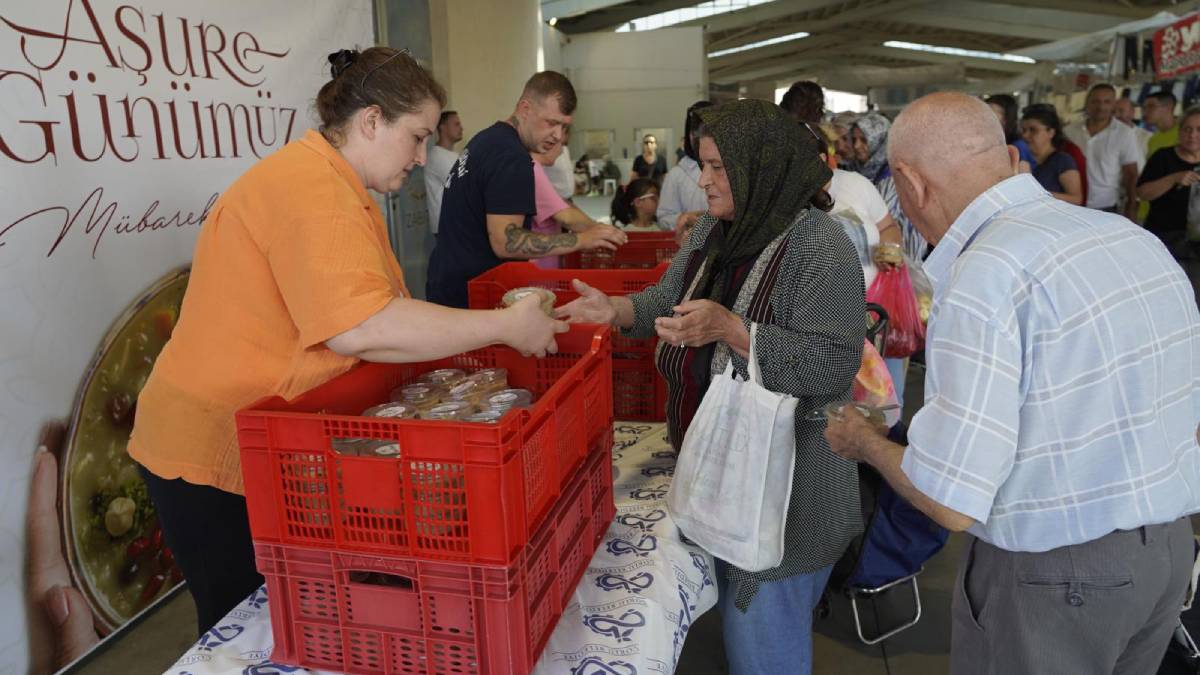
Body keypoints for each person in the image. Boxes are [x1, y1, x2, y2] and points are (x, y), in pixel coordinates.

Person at [126, 48, 569, 636]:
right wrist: (503, 328)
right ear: (370, 122)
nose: (420, 156)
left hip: (265, 435)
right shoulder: (311, 189)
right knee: (246, 626)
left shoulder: (337, 185)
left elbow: (380, 312)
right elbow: (364, 326)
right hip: (210, 444)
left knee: (292, 619)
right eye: (415, 137)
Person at [826, 91, 1200, 675]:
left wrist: (866, 443)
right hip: (1168, 555)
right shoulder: (1129, 238)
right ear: (1003, 154)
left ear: (910, 182)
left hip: (1057, 579)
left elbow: (950, 499)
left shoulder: (986, 275)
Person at [559, 99, 865, 675]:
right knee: (741, 628)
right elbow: (663, 303)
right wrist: (616, 308)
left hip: (790, 494)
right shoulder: (714, 235)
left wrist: (733, 329)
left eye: (718, 167)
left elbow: (832, 364)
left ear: (760, 166)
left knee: (762, 641)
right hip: (726, 472)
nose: (703, 181)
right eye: (702, 165)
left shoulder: (820, 246)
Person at [426, 72, 626, 308]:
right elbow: (506, 241)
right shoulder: (512, 157)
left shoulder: (487, 140)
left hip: (449, 284)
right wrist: (582, 239)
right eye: (551, 123)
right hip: (470, 294)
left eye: (564, 127)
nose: (558, 136)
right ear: (525, 108)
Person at [851, 112, 923, 401]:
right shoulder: (864, 176)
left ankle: (890, 425)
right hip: (876, 281)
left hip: (894, 276)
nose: (856, 146)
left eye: (862, 139)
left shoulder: (891, 180)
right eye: (853, 139)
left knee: (890, 352)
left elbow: (894, 231)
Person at [1064, 83, 1143, 218]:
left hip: (1105, 207)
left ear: (1114, 105)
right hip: (1071, 206)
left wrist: (1131, 208)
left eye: (1107, 101)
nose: (1101, 107)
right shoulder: (1069, 131)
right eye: (1095, 101)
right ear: (1087, 103)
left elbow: (1131, 174)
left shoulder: (1124, 133)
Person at [530, 138, 609, 269]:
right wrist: (598, 231)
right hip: (540, 266)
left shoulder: (536, 169)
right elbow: (567, 218)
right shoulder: (533, 169)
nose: (562, 151)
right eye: (560, 145)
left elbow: (561, 202)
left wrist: (597, 227)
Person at [1137, 106, 1200, 259]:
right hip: (1165, 237)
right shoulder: (1163, 157)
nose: (1193, 135)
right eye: (1187, 129)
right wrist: (1173, 178)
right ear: (1179, 132)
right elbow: (1143, 193)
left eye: (1199, 129)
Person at [658, 100, 713, 239]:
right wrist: (684, 218)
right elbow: (664, 217)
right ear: (689, 135)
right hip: (689, 249)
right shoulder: (677, 175)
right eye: (696, 131)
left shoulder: (731, 168)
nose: (703, 183)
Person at [1020, 105, 1083, 204]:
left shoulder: (1063, 160)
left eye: (1033, 130)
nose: (1025, 135)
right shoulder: (1023, 159)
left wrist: (1036, 194)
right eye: (1023, 130)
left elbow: (1076, 199)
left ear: (1051, 132)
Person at [1138, 91, 1180, 222]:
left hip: (1175, 211)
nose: (1145, 111)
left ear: (1169, 108)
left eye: (1151, 106)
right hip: (1150, 208)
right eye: (1144, 107)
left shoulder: (1186, 135)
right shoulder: (1153, 139)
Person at [424, 110, 462, 235]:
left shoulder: (454, 155)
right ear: (442, 127)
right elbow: (464, 184)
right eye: (456, 124)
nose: (461, 128)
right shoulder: (436, 156)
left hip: (455, 225)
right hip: (447, 227)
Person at [986, 94, 1035, 171]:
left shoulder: (1018, 146)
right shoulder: (993, 143)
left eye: (990, 111)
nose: (985, 116)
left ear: (1006, 117)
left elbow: (1023, 175)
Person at [544, 124, 576, 200]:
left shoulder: (565, 149)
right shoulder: (545, 151)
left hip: (568, 198)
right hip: (553, 198)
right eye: (566, 133)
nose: (569, 136)